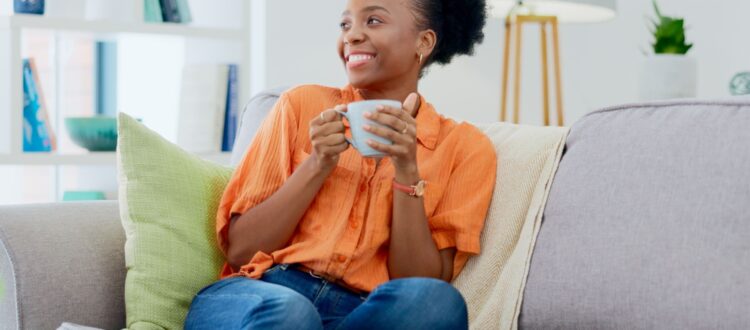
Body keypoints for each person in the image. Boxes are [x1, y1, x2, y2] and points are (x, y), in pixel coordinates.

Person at [185, 0, 495, 329]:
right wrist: (317, 164)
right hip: (261, 292)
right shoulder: (300, 105)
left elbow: (416, 282)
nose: (352, 36)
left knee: (435, 302)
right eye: (345, 25)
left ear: (424, 42)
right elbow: (241, 251)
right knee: (291, 312)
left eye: (373, 21)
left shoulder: (465, 148)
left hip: (363, 314)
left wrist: (407, 172)